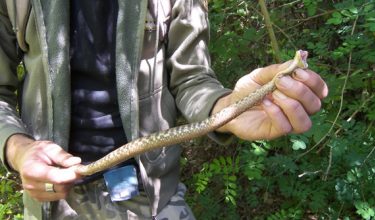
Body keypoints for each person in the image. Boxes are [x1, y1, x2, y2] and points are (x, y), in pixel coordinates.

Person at [0, 0, 328, 219]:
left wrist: (227, 108)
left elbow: (191, 78)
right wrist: (19, 149)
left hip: (151, 195)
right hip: (53, 201)